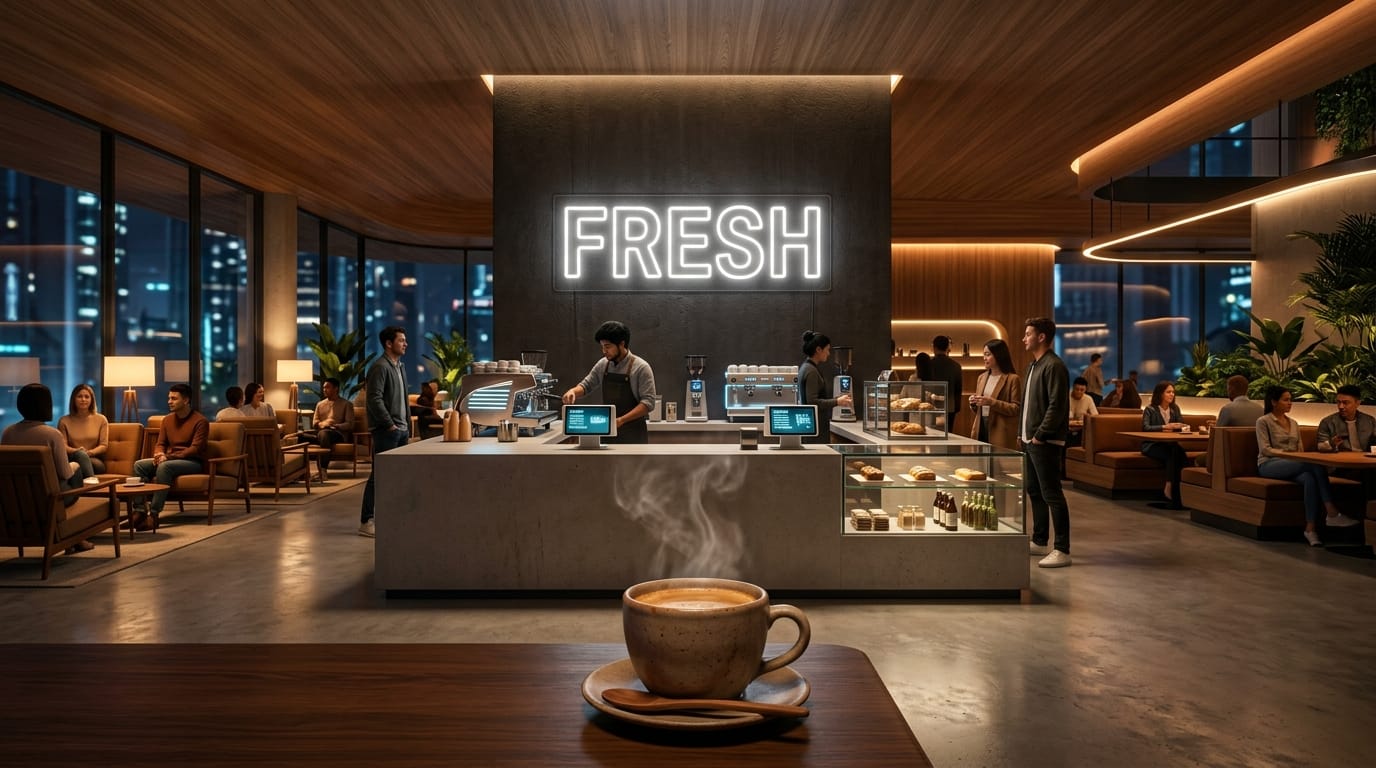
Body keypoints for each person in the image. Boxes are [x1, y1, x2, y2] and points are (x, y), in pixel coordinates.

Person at [1256, 385, 1359, 547]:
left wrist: (1298, 457)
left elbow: (1300, 449)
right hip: (1269, 464)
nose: (1290, 403)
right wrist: (1289, 456)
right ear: (1274, 402)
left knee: (1310, 478)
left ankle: (1310, 529)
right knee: (1314, 464)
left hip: (1294, 463)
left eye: (1291, 400)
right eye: (1286, 400)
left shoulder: (1294, 423)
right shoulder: (1263, 421)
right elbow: (1265, 449)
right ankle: (1331, 511)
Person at [3, 383, 96, 553]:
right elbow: (65, 473)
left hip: (17, 500)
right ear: (46, 405)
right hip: (49, 502)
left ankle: (76, 540)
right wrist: (75, 465)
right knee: (74, 469)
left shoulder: (8, 432)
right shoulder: (51, 435)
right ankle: (77, 537)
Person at [1020, 317, 1072, 568]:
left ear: (1042, 337)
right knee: (1034, 490)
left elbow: (1057, 405)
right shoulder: (1033, 366)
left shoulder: (1054, 366)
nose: (1024, 338)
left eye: (1028, 334)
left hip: (1045, 441)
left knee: (1052, 493)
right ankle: (1040, 540)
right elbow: (1028, 404)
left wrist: (1041, 434)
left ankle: (1062, 549)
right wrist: (1023, 434)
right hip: (1030, 440)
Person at [561, 320, 658, 445]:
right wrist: (573, 391)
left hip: (633, 434)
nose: (604, 351)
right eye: (602, 347)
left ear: (622, 344)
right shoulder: (603, 364)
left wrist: (621, 420)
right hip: (607, 431)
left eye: (607, 347)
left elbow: (648, 403)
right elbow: (587, 385)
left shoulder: (641, 367)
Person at [131, 383, 210, 531]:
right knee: (139, 465)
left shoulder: (200, 421)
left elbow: (195, 449)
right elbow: (160, 443)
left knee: (164, 466)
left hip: (192, 462)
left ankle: (153, 515)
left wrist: (168, 457)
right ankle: (140, 512)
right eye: (169, 398)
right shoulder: (167, 420)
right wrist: (159, 453)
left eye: (174, 398)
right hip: (170, 459)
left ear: (186, 401)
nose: (169, 401)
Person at [359, 326, 410, 538]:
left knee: (397, 476)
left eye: (405, 340)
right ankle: (366, 521)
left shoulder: (400, 366)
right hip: (387, 431)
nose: (405, 344)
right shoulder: (380, 367)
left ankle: (391, 517)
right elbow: (374, 399)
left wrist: (407, 424)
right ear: (389, 343)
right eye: (401, 340)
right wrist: (389, 424)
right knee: (378, 476)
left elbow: (404, 398)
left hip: (402, 430)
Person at [795, 330, 854, 444]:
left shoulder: (806, 368)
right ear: (818, 349)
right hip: (815, 428)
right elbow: (813, 403)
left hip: (809, 426)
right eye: (827, 350)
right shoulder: (811, 371)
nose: (828, 353)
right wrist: (837, 401)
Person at [1141, 380, 1189, 508]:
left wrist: (1180, 426)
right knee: (1171, 454)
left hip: (1170, 444)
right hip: (1152, 445)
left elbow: (1181, 424)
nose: (1171, 394)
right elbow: (1146, 428)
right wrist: (1165, 427)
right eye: (1168, 392)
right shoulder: (1150, 409)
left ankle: (1182, 491)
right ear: (1160, 394)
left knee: (1182, 454)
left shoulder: (1175, 409)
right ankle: (1168, 486)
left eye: (1173, 392)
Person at [967, 338, 1022, 451]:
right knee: (981, 464)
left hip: (1000, 431)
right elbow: (978, 410)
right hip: (980, 427)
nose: (984, 358)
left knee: (998, 466)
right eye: (984, 354)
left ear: (998, 355)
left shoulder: (1012, 379)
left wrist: (992, 402)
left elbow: (1016, 409)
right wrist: (973, 403)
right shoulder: (981, 377)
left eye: (987, 354)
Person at [299, 377, 354, 476]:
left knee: (324, 434)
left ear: (336, 388)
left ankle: (322, 470)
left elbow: (350, 424)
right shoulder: (320, 404)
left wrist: (336, 426)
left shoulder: (346, 404)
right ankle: (301, 473)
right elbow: (315, 422)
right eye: (324, 387)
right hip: (321, 432)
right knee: (300, 436)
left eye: (327, 387)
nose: (324, 389)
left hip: (338, 434)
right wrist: (322, 424)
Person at [57, 382, 108, 476]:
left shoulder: (101, 419)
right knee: (77, 462)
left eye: (87, 397)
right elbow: (63, 445)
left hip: (94, 459)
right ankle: (92, 486)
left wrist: (89, 453)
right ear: (74, 399)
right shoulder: (64, 421)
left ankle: (85, 487)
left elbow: (104, 446)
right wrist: (77, 451)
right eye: (79, 396)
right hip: (72, 458)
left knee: (84, 465)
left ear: (92, 400)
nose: (83, 399)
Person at [1316, 384, 1375, 453]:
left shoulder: (1369, 421)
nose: (1341, 406)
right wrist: (1332, 444)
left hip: (1365, 460)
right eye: (1338, 402)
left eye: (1345, 403)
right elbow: (1320, 447)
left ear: (1357, 403)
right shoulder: (1328, 422)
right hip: (1339, 461)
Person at [929, 335, 963, 431]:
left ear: (934, 347)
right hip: (949, 406)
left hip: (931, 405)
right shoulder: (956, 366)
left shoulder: (928, 364)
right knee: (948, 434)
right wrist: (956, 407)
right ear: (948, 348)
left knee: (931, 434)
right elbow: (958, 388)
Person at [1066, 376, 1098, 447]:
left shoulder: (1088, 399)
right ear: (1073, 388)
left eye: (1082, 390)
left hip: (1081, 429)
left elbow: (1095, 415)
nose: (1079, 392)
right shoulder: (1066, 397)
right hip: (1066, 428)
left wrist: (1087, 416)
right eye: (1077, 389)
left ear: (1085, 390)